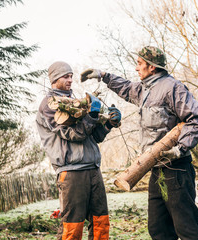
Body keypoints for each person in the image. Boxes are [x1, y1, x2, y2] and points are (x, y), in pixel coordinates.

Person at [80, 46, 198, 240]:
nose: (136, 68)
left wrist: (180, 149)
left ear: (152, 67)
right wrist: (103, 75)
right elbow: (125, 87)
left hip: (177, 170)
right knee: (158, 229)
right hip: (156, 168)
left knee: (187, 229)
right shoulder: (144, 90)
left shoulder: (172, 87)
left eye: (140, 64)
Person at [36, 61, 121, 240]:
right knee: (72, 227)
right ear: (54, 79)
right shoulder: (50, 106)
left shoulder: (76, 101)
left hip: (93, 169)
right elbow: (73, 134)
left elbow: (94, 136)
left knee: (101, 222)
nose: (70, 80)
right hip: (72, 172)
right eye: (66, 76)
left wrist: (109, 123)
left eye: (71, 76)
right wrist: (91, 116)